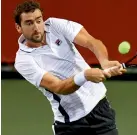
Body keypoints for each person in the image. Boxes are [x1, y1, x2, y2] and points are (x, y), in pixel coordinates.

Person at [14, 1, 126, 135]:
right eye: (29, 23)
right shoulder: (23, 60)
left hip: (100, 109)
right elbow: (59, 87)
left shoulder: (55, 25)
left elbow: (92, 42)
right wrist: (85, 75)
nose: (36, 27)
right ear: (18, 27)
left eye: (39, 21)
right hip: (70, 123)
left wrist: (104, 62)